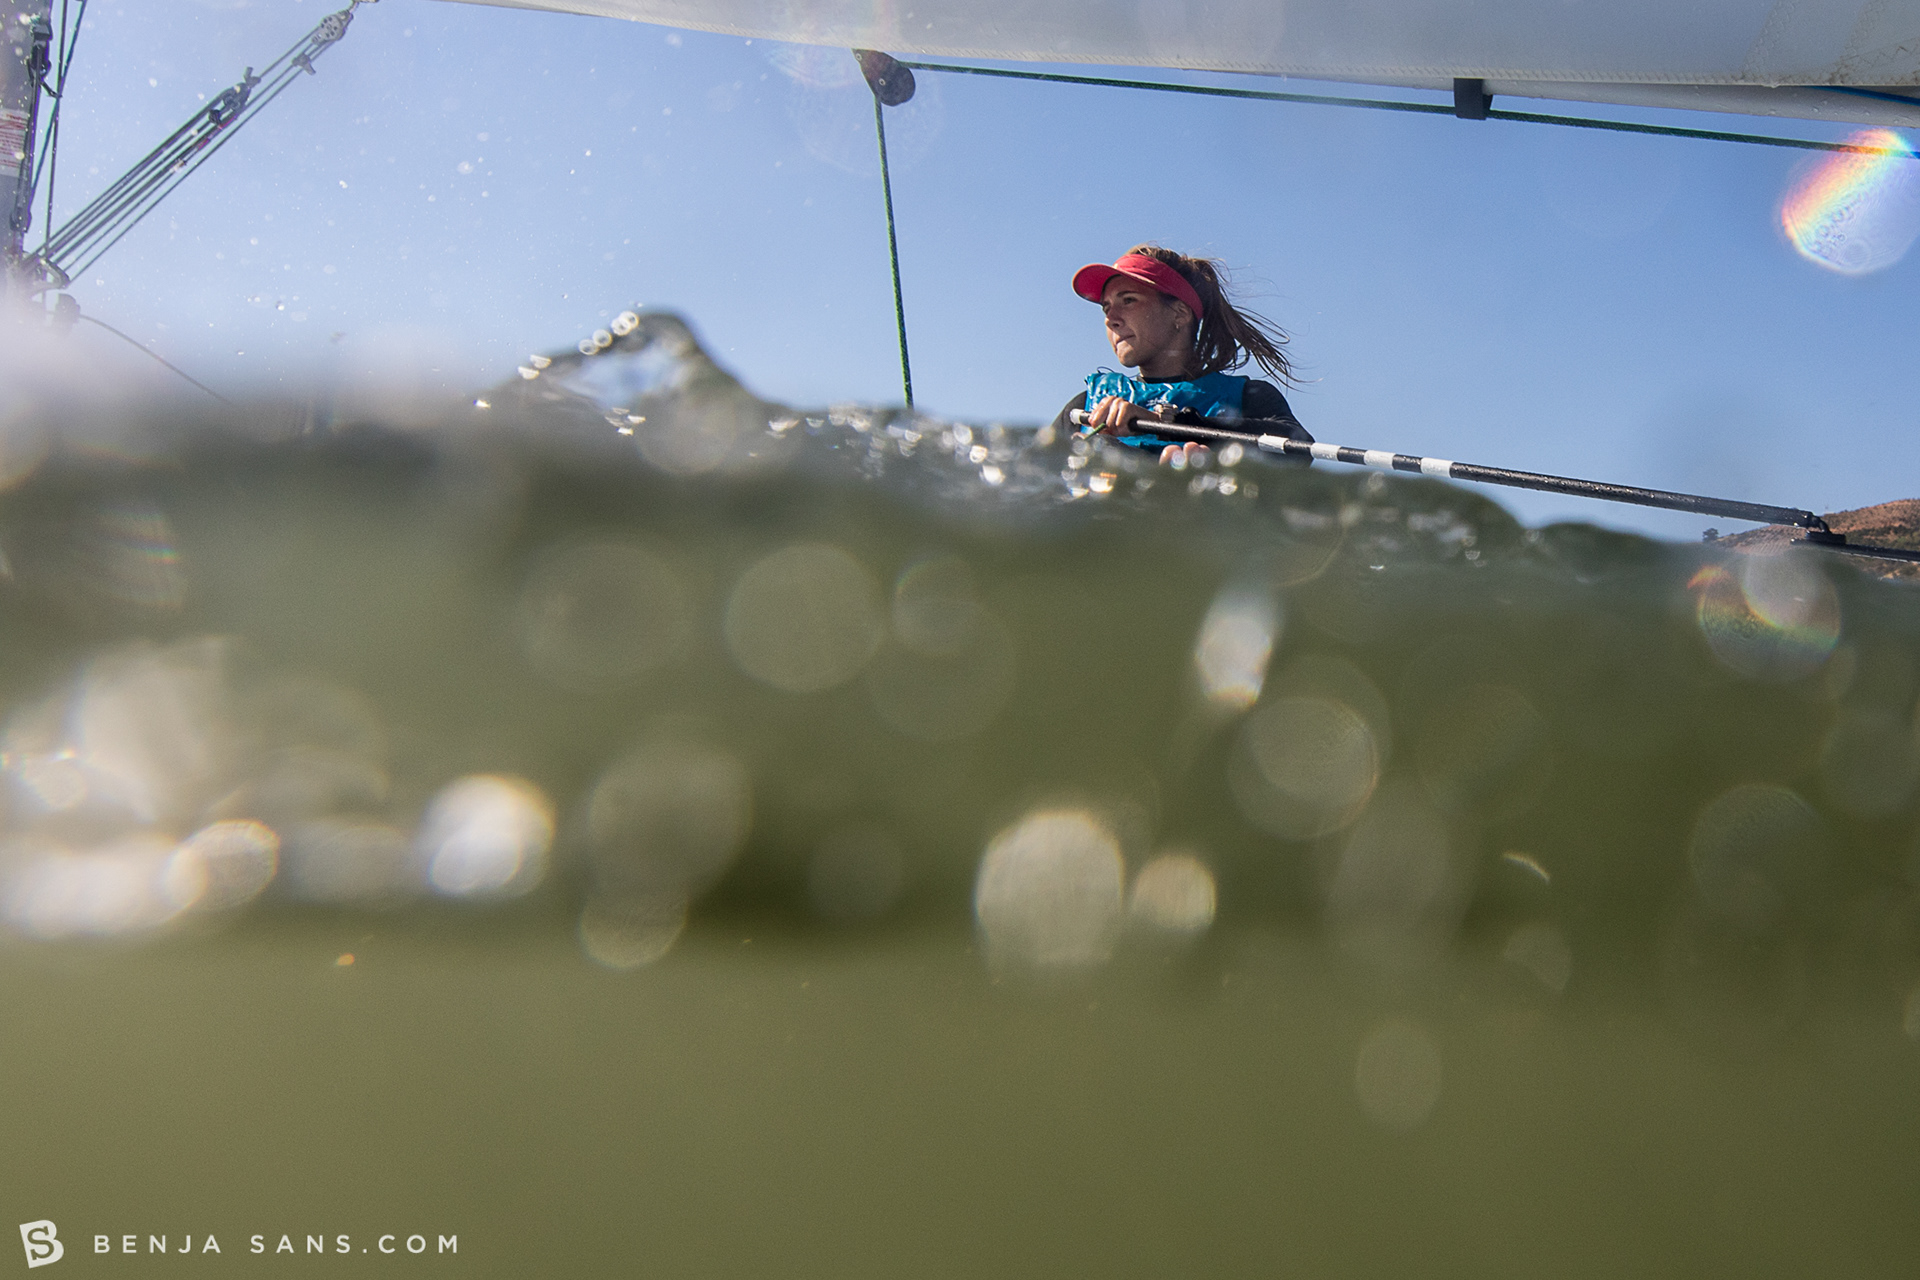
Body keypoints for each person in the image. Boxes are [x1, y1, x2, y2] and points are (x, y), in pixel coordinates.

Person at [1052, 245, 1312, 466]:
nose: (1111, 319)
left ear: (1179, 314)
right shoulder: (1085, 405)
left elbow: (1300, 450)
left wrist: (1167, 422)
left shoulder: (1249, 397)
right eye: (1106, 307)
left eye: (1128, 300)